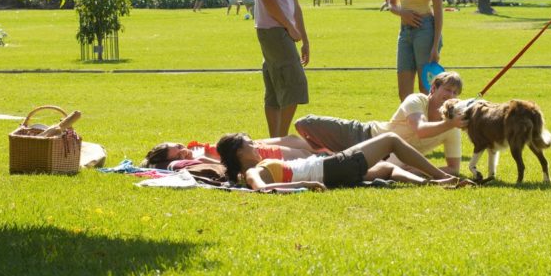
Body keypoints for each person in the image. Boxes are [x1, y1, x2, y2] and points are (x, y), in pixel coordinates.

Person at [295, 71, 467, 175]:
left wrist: (416, 170)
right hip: (363, 134)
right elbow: (421, 130)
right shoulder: (417, 100)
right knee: (305, 123)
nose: (451, 96)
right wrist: (451, 124)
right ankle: (321, 151)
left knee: (337, 167)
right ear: (433, 89)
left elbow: (454, 169)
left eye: (455, 93)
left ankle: (325, 155)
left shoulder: (452, 128)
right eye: (447, 89)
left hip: (386, 158)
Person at [216, 132, 464, 191]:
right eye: (249, 143)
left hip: (330, 169)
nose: (255, 145)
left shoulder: (253, 169)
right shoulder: (250, 173)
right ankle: (442, 176)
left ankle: (434, 184)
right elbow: (262, 190)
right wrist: (304, 185)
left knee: (387, 168)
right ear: (238, 153)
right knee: (390, 139)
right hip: (329, 169)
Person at [254, 0, 310, 137]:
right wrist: (289, 26)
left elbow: (294, 3)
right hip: (273, 29)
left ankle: (274, 140)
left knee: (275, 88)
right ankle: (280, 139)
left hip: (282, 30)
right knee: (295, 84)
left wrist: (305, 38)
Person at [140, 135, 321, 169]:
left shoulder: (193, 149)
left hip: (250, 144)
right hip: (256, 154)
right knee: (307, 155)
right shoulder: (199, 158)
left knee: (295, 139)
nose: (183, 151)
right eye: (178, 154)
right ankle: (341, 158)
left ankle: (340, 152)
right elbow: (225, 166)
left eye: (179, 146)